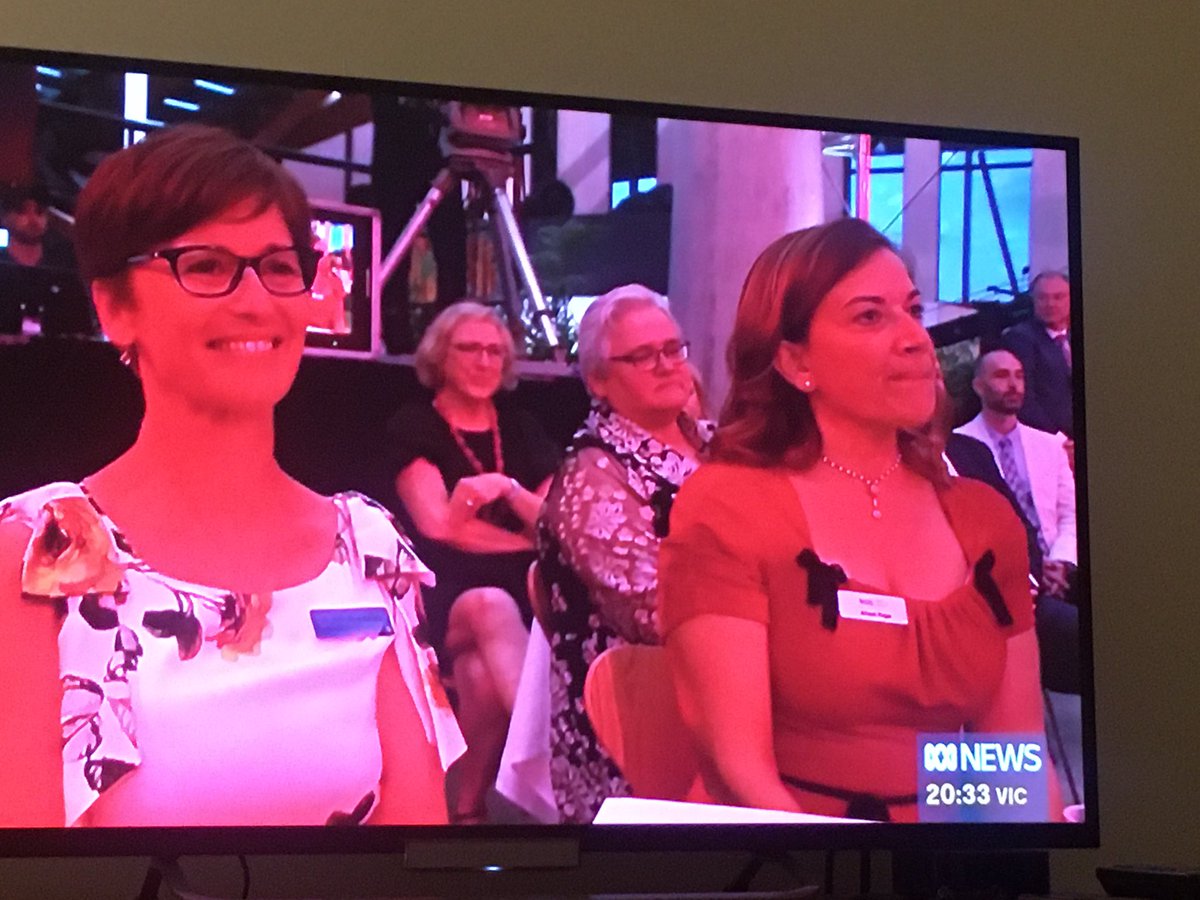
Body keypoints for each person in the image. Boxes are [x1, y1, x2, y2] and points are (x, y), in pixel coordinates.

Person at [0, 125, 460, 828]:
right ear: (114, 307)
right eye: (207, 265)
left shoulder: (366, 543)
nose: (256, 300)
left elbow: (416, 839)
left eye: (280, 266)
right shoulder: (41, 551)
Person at [659, 218, 1060, 823]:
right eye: (870, 316)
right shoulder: (728, 505)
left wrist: (965, 856)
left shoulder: (982, 518)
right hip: (781, 857)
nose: (916, 340)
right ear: (795, 361)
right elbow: (738, 770)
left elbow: (1010, 760)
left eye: (913, 311)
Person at [537, 284, 713, 824]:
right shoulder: (592, 475)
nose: (664, 365)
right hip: (632, 721)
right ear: (598, 381)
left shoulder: (724, 448)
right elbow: (654, 610)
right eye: (640, 356)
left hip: (720, 687)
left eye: (671, 349)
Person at [388, 301, 560, 823]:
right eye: (470, 349)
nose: (484, 361)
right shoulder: (414, 426)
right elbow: (437, 526)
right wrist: (526, 538)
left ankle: (465, 811)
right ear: (442, 355)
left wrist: (507, 489)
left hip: (527, 590)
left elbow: (553, 522)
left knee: (482, 677)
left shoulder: (525, 427)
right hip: (444, 588)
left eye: (494, 351)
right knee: (488, 607)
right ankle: (552, 752)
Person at [955, 347, 1082, 803]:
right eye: (1002, 376)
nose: (1013, 385)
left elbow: (1070, 515)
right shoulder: (957, 448)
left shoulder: (1049, 444)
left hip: (1053, 567)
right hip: (994, 591)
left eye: (1019, 375)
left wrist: (1059, 561)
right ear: (978, 385)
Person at [1002, 271, 1074, 438]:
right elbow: (1025, 401)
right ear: (1033, 301)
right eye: (1043, 298)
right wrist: (1058, 438)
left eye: (1058, 297)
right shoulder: (1019, 339)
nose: (1050, 304)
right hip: (1049, 437)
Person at [0, 182, 76, 270]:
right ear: (4, 217)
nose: (33, 220)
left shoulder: (62, 256)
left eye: (39, 212)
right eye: (22, 212)